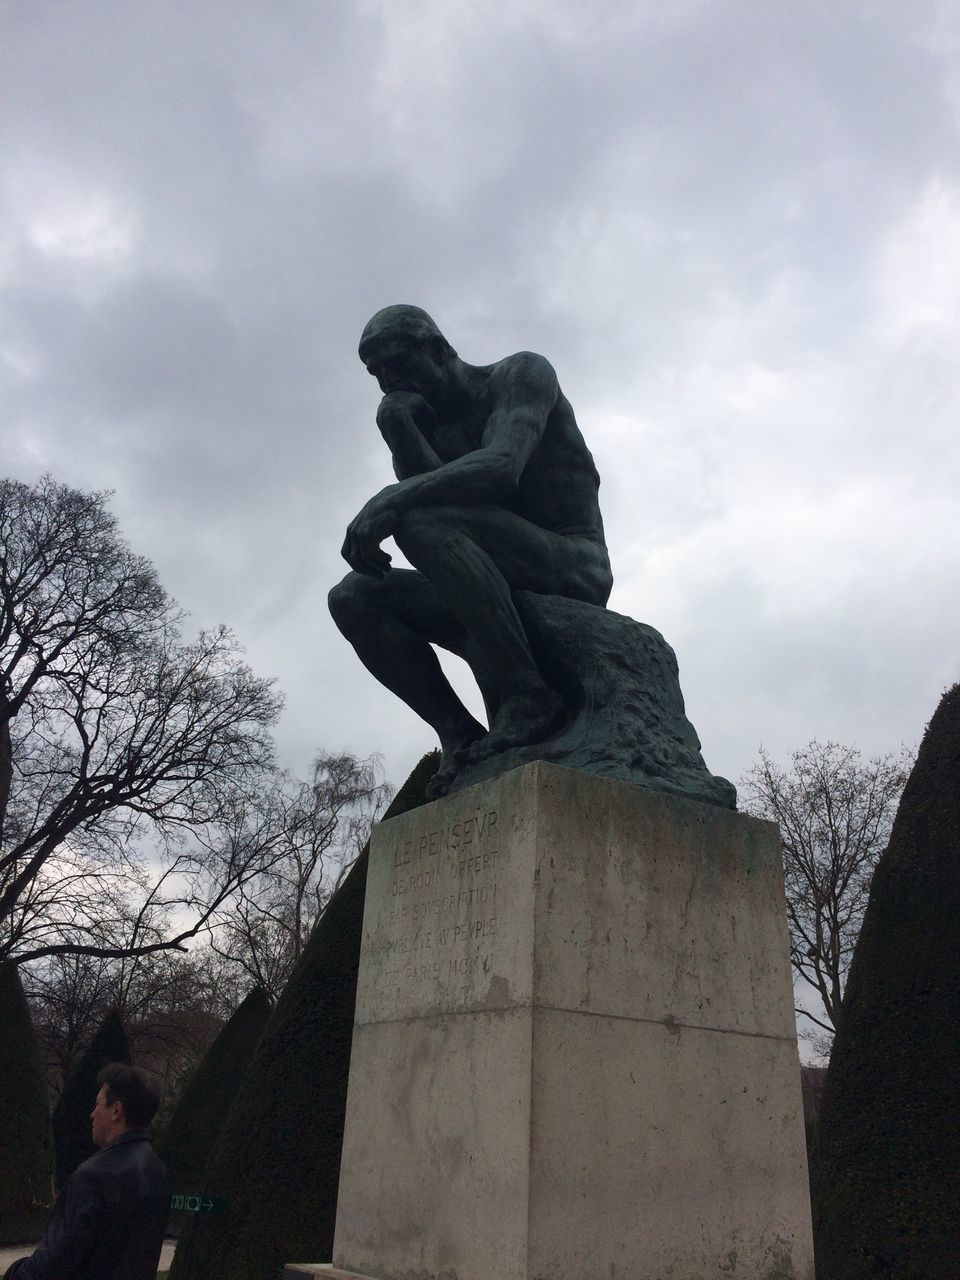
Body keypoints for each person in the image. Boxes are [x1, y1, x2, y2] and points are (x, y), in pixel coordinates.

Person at [329, 305, 613, 795]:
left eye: (398, 364)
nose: (388, 382)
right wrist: (397, 427)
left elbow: (502, 467)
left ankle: (529, 696)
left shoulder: (520, 374)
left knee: (419, 519)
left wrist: (391, 497)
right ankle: (457, 735)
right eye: (377, 374)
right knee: (354, 597)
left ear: (438, 349)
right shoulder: (425, 427)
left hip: (571, 563)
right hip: (487, 570)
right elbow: (432, 498)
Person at [5, 1064, 170, 1280]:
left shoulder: (93, 1176)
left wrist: (15, 1273)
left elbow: (55, 1262)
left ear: (117, 1110)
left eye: (98, 1105)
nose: (92, 1114)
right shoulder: (157, 1171)